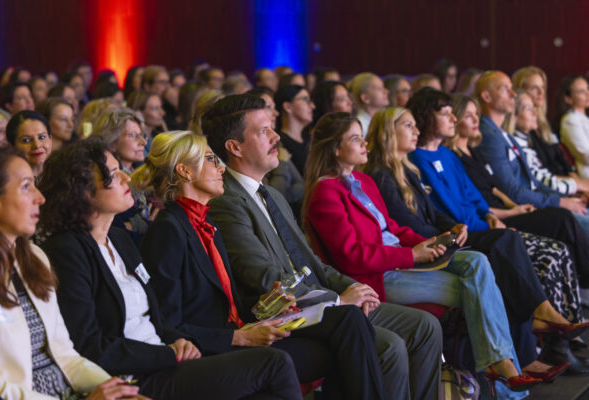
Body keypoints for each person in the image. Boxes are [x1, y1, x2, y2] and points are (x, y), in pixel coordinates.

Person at [203, 94, 443, 400]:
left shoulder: (273, 196)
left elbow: (312, 263)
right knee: (390, 346)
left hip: (325, 303)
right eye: (264, 131)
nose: (277, 137)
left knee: (425, 326)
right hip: (288, 314)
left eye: (272, 128)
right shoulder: (227, 203)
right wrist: (338, 301)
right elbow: (263, 279)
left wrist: (355, 288)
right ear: (234, 147)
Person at [37, 138, 303, 400]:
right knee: (274, 363)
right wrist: (172, 352)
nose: (126, 178)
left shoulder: (119, 239)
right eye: (113, 174)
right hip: (134, 377)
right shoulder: (66, 251)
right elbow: (90, 343)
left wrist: (181, 343)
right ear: (81, 189)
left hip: (166, 358)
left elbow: (158, 320)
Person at [133, 131, 389, 399]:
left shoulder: (208, 225)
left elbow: (227, 301)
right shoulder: (167, 232)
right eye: (211, 159)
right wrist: (239, 337)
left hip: (244, 329)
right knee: (343, 345)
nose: (221, 167)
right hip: (216, 347)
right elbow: (167, 324)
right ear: (185, 171)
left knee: (348, 319)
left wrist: (273, 305)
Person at [303, 111, 546, 392]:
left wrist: (430, 243)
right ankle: (502, 370)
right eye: (355, 139)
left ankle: (501, 370)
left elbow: (391, 228)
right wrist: (412, 255)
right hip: (379, 276)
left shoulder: (363, 181)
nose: (364, 144)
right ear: (335, 149)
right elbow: (352, 255)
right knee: (485, 286)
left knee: (478, 264)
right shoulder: (326, 192)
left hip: (402, 263)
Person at [365, 105, 589, 374]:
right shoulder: (381, 175)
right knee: (503, 247)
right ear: (389, 133)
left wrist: (456, 225)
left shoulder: (406, 168)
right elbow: (407, 224)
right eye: (408, 126)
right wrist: (450, 233)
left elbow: (437, 212)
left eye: (415, 125)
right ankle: (534, 327)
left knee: (508, 250)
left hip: (444, 238)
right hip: (422, 251)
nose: (416, 131)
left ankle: (534, 335)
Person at [0, 147, 145, 399]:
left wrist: (118, 390)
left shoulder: (34, 257)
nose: (39, 197)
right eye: (26, 187)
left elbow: (66, 355)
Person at [475, 71, 589, 234]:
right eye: (505, 89)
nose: (513, 94)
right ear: (486, 96)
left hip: (538, 200)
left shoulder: (503, 134)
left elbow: (533, 181)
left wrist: (562, 200)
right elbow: (512, 190)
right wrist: (559, 202)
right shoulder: (489, 136)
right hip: (523, 209)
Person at [506, 91, 588, 195]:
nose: (535, 113)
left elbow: (545, 176)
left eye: (534, 107)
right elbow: (537, 182)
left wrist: (578, 186)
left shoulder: (525, 142)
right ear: (514, 116)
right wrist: (576, 186)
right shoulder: (515, 146)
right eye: (528, 109)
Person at [92, 110, 155, 241]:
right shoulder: (108, 179)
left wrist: (139, 225)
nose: (143, 142)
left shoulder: (144, 173)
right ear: (112, 142)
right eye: (132, 135)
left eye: (141, 135)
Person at [248, 87, 304, 217]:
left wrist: (285, 196)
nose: (276, 113)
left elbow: (301, 184)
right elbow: (273, 196)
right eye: (269, 107)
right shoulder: (255, 145)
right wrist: (282, 163)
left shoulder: (276, 141)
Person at [274, 85, 315, 176]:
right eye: (305, 100)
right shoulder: (279, 142)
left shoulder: (311, 139)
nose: (312, 106)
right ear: (288, 107)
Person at [555, 75, 589, 178]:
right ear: (568, 98)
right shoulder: (570, 119)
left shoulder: (585, 118)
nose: (587, 94)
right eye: (581, 91)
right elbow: (585, 155)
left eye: (588, 89)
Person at [5, 111, 52, 177]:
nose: (37, 145)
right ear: (11, 146)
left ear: (50, 139)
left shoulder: (63, 173)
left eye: (41, 137)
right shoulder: (7, 181)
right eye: (26, 140)